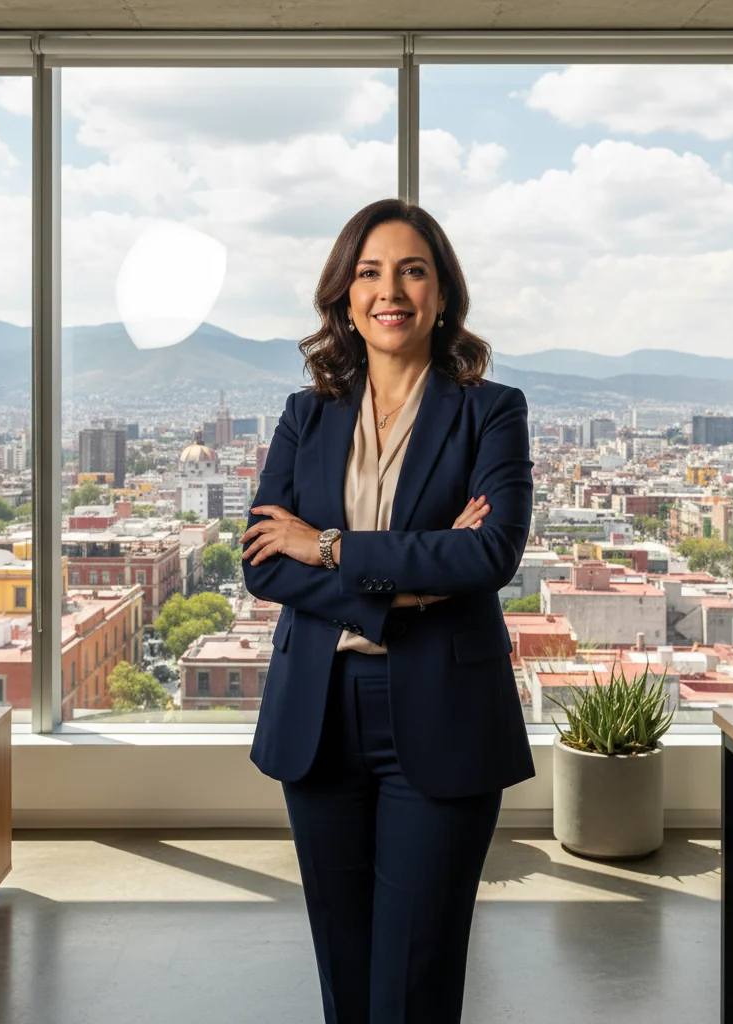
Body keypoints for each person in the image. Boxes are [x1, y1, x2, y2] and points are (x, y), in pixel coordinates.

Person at [239, 197, 535, 1023]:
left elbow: (489, 555)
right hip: (319, 712)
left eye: (413, 271)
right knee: (345, 973)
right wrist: (410, 582)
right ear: (346, 294)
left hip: (443, 709)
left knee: (415, 981)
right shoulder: (306, 415)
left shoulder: (491, 411)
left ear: (443, 294)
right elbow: (262, 562)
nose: (390, 291)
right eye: (369, 272)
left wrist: (329, 547)